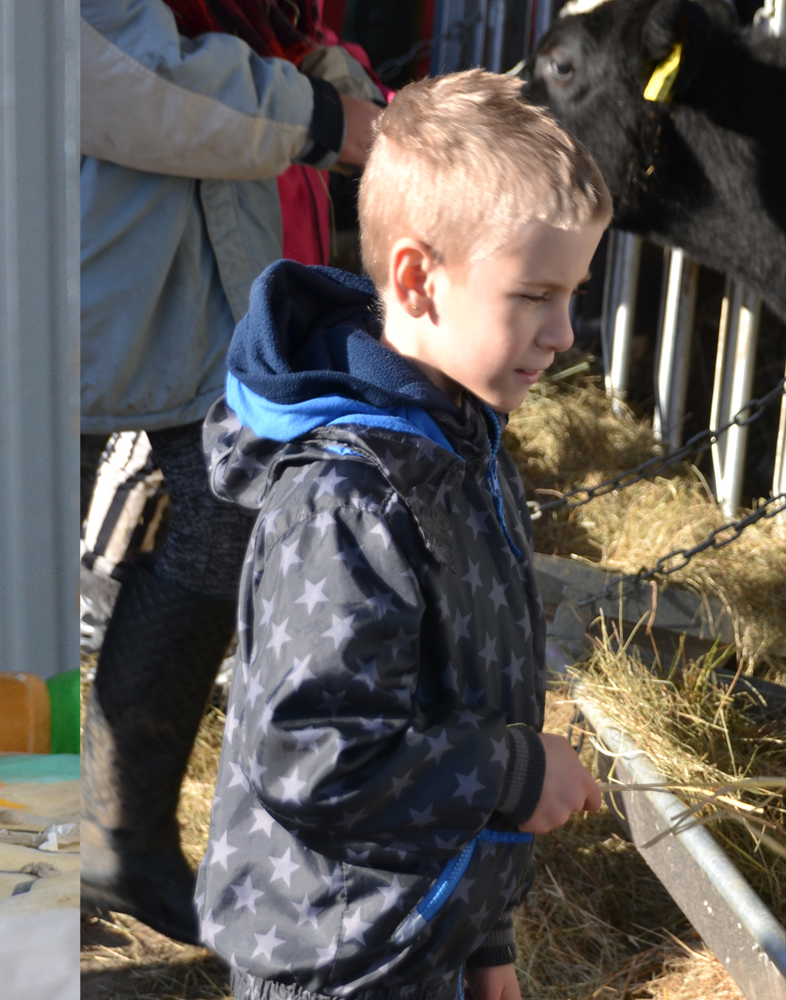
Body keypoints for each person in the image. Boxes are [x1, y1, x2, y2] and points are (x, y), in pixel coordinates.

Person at [193, 70, 608, 1000]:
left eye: (574, 293)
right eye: (537, 294)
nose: (565, 333)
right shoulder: (349, 499)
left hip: (418, 930)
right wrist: (516, 774)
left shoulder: (466, 446)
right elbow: (314, 753)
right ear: (419, 280)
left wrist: (484, 940)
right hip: (338, 957)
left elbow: (466, 692)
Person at [79, 0, 382, 943]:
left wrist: (325, 76)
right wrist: (326, 120)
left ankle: (119, 837)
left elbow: (241, 34)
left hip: (190, 246)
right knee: (3, 559)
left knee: (228, 516)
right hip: (54, 253)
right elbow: (108, 62)